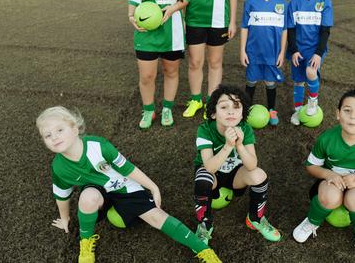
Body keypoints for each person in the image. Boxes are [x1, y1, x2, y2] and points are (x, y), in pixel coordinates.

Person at [36, 106, 222, 263]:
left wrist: (153, 187)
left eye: (60, 130)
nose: (54, 137)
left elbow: (127, 169)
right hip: (99, 192)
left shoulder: (99, 146)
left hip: (125, 187)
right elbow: (62, 193)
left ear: (75, 129)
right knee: (87, 198)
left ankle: (203, 250)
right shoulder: (59, 167)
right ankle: (85, 243)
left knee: (157, 218)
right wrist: (65, 218)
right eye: (47, 135)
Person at [292, 89, 355, 261]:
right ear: (338, 114)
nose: (353, 116)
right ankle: (312, 221)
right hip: (332, 182)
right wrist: (328, 174)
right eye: (347, 110)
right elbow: (311, 166)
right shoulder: (326, 139)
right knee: (329, 197)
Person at [192, 84, 281, 246]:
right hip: (213, 175)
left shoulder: (245, 129)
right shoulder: (204, 130)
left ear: (242, 114)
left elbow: (252, 164)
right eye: (224, 106)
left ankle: (255, 218)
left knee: (259, 175)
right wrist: (227, 145)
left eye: (236, 106)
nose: (231, 111)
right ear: (213, 113)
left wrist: (239, 145)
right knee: (203, 178)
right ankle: (204, 224)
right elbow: (210, 167)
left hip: (235, 176)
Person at [128, 0, 189, 129]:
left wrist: (171, 9)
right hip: (147, 33)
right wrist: (131, 18)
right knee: (147, 75)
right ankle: (148, 111)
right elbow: (133, 1)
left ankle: (167, 109)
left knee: (171, 72)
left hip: (173, 32)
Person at [240, 0, 289, 126]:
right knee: (251, 81)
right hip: (253, 52)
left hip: (273, 53)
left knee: (270, 81)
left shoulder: (282, 3)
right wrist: (242, 51)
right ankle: (245, 110)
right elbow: (245, 28)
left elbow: (284, 30)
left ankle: (272, 109)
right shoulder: (250, 2)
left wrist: (282, 52)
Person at [286, 0, 333, 125]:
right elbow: (290, 29)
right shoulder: (294, 2)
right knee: (298, 80)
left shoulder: (325, 2)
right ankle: (298, 111)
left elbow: (325, 31)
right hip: (298, 49)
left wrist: (318, 53)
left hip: (315, 49)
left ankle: (313, 100)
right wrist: (293, 50)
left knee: (311, 73)